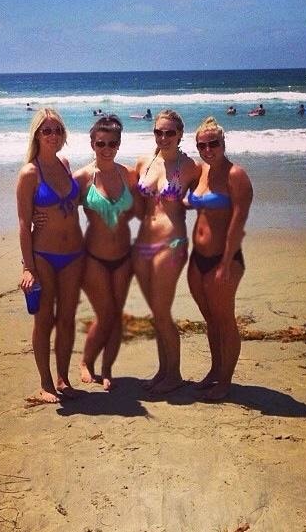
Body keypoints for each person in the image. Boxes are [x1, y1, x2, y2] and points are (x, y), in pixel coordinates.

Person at [16, 108, 85, 404]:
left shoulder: (65, 164)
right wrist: (28, 268)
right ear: (36, 135)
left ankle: (63, 379)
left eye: (57, 130)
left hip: (73, 255)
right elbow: (23, 225)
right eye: (47, 131)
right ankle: (46, 383)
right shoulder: (30, 173)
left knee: (67, 319)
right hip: (43, 255)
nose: (53, 135)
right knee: (44, 320)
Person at [133, 109, 200, 394]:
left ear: (180, 134)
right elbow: (125, 196)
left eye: (169, 132)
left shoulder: (190, 167)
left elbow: (211, 189)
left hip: (171, 244)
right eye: (158, 132)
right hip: (143, 245)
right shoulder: (144, 162)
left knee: (161, 311)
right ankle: (164, 370)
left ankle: (174, 375)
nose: (163, 137)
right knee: (157, 312)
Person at [187, 117, 253, 401]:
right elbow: (190, 200)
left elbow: (238, 223)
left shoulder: (235, 175)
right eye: (201, 145)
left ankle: (225, 380)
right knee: (209, 320)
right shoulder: (200, 171)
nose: (207, 150)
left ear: (223, 143)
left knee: (225, 320)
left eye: (213, 144)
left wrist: (225, 264)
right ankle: (215, 371)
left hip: (224, 260)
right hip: (197, 259)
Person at [75, 115, 138, 390]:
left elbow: (149, 207)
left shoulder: (129, 175)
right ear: (92, 144)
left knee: (116, 315)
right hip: (94, 259)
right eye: (101, 143)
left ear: (119, 144)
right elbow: (60, 211)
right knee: (106, 314)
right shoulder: (81, 178)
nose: (106, 148)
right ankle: (86, 362)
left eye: (112, 143)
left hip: (124, 258)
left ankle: (107, 368)